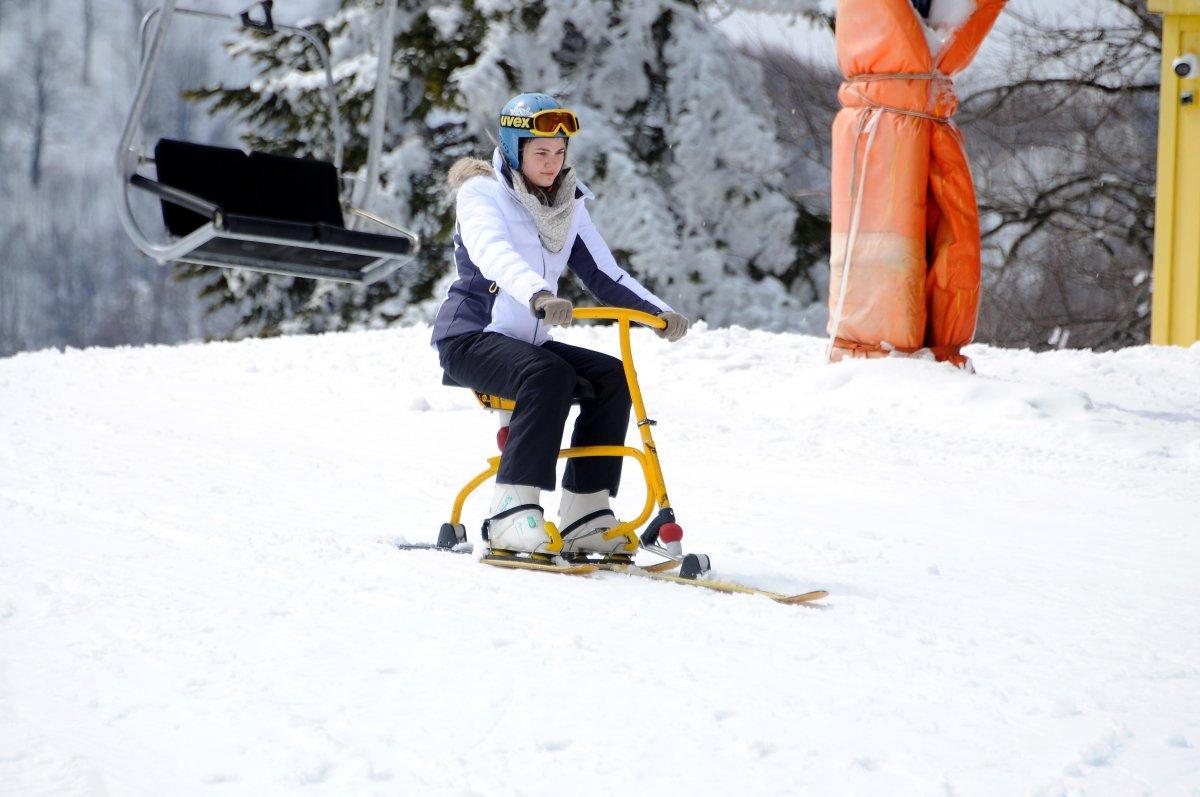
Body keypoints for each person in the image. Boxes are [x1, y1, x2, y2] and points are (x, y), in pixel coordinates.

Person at [431, 92, 689, 558]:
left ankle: (585, 513)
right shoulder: (482, 192)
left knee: (611, 377)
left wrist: (657, 312)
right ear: (514, 150)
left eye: (559, 151)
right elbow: (492, 253)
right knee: (547, 373)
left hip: (524, 341)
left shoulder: (568, 203)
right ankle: (511, 512)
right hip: (471, 338)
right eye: (540, 152)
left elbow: (602, 273)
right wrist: (539, 294)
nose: (552, 163)